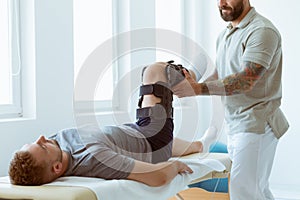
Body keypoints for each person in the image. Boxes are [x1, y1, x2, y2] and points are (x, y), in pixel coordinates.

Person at [8, 61, 217, 187]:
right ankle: (191, 84)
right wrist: (174, 166)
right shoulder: (96, 159)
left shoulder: (53, 148)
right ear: (56, 168)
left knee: (181, 145)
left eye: (35, 141)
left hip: (134, 133)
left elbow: (35, 161)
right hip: (151, 139)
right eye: (42, 146)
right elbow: (157, 177)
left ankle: (200, 145)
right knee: (154, 71)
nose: (43, 138)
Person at [173, 0, 289, 199]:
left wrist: (198, 89)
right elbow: (220, 75)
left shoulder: (262, 31)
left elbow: (246, 80)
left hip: (257, 123)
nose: (221, 3)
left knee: (243, 191)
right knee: (257, 190)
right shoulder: (225, 34)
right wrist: (192, 84)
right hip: (237, 123)